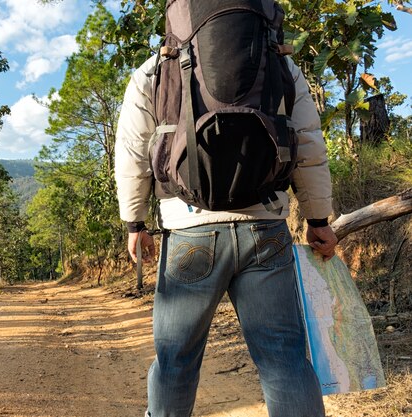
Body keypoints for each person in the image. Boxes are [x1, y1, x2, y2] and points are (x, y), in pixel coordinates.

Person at [114, 52, 339, 416]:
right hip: (265, 225)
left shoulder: (156, 68)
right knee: (284, 359)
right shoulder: (277, 59)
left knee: (175, 360)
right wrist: (317, 218)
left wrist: (135, 223)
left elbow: (132, 151)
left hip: (189, 229)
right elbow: (309, 143)